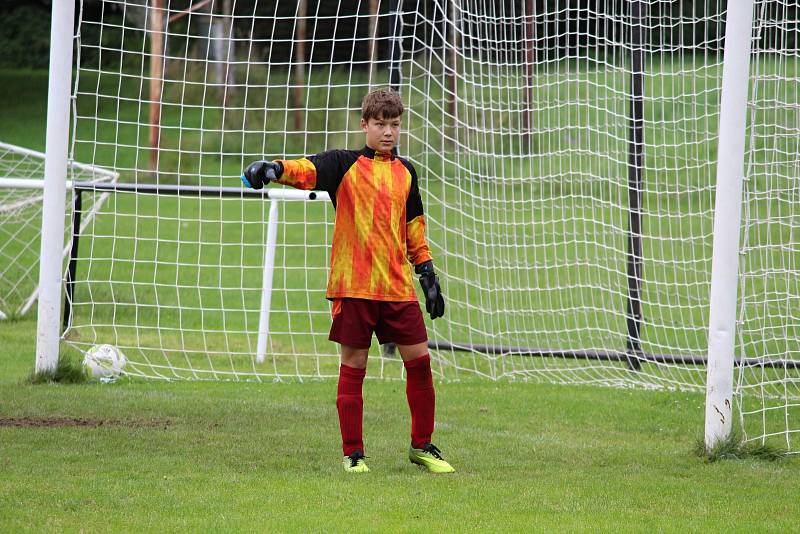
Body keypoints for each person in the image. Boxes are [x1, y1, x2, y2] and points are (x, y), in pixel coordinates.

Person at [241, 88, 454, 474]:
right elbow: (307, 169)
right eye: (380, 124)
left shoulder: (407, 172)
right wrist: (273, 169)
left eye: (394, 124)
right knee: (354, 368)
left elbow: (414, 228)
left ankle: (422, 446)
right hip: (353, 287)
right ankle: (353, 453)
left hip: (396, 288)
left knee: (420, 364)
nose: (388, 132)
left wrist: (428, 276)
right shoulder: (344, 164)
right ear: (364, 125)